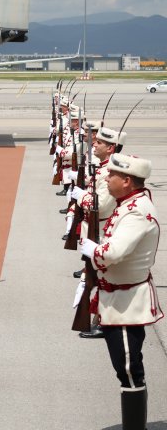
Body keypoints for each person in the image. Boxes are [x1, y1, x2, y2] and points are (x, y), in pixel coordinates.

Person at [78, 153, 162, 430]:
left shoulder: (136, 211)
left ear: (127, 181)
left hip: (126, 303)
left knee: (128, 368)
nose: (106, 178)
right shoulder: (127, 204)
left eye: (112, 175)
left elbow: (110, 253)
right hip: (114, 297)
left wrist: (92, 250)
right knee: (124, 367)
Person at [70, 125, 126, 339]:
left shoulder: (110, 173)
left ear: (111, 148)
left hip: (101, 230)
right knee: (93, 278)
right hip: (93, 228)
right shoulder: (104, 169)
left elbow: (101, 205)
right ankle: (99, 319)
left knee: (101, 279)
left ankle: (103, 322)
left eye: (100, 142)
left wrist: (81, 195)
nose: (94, 143)